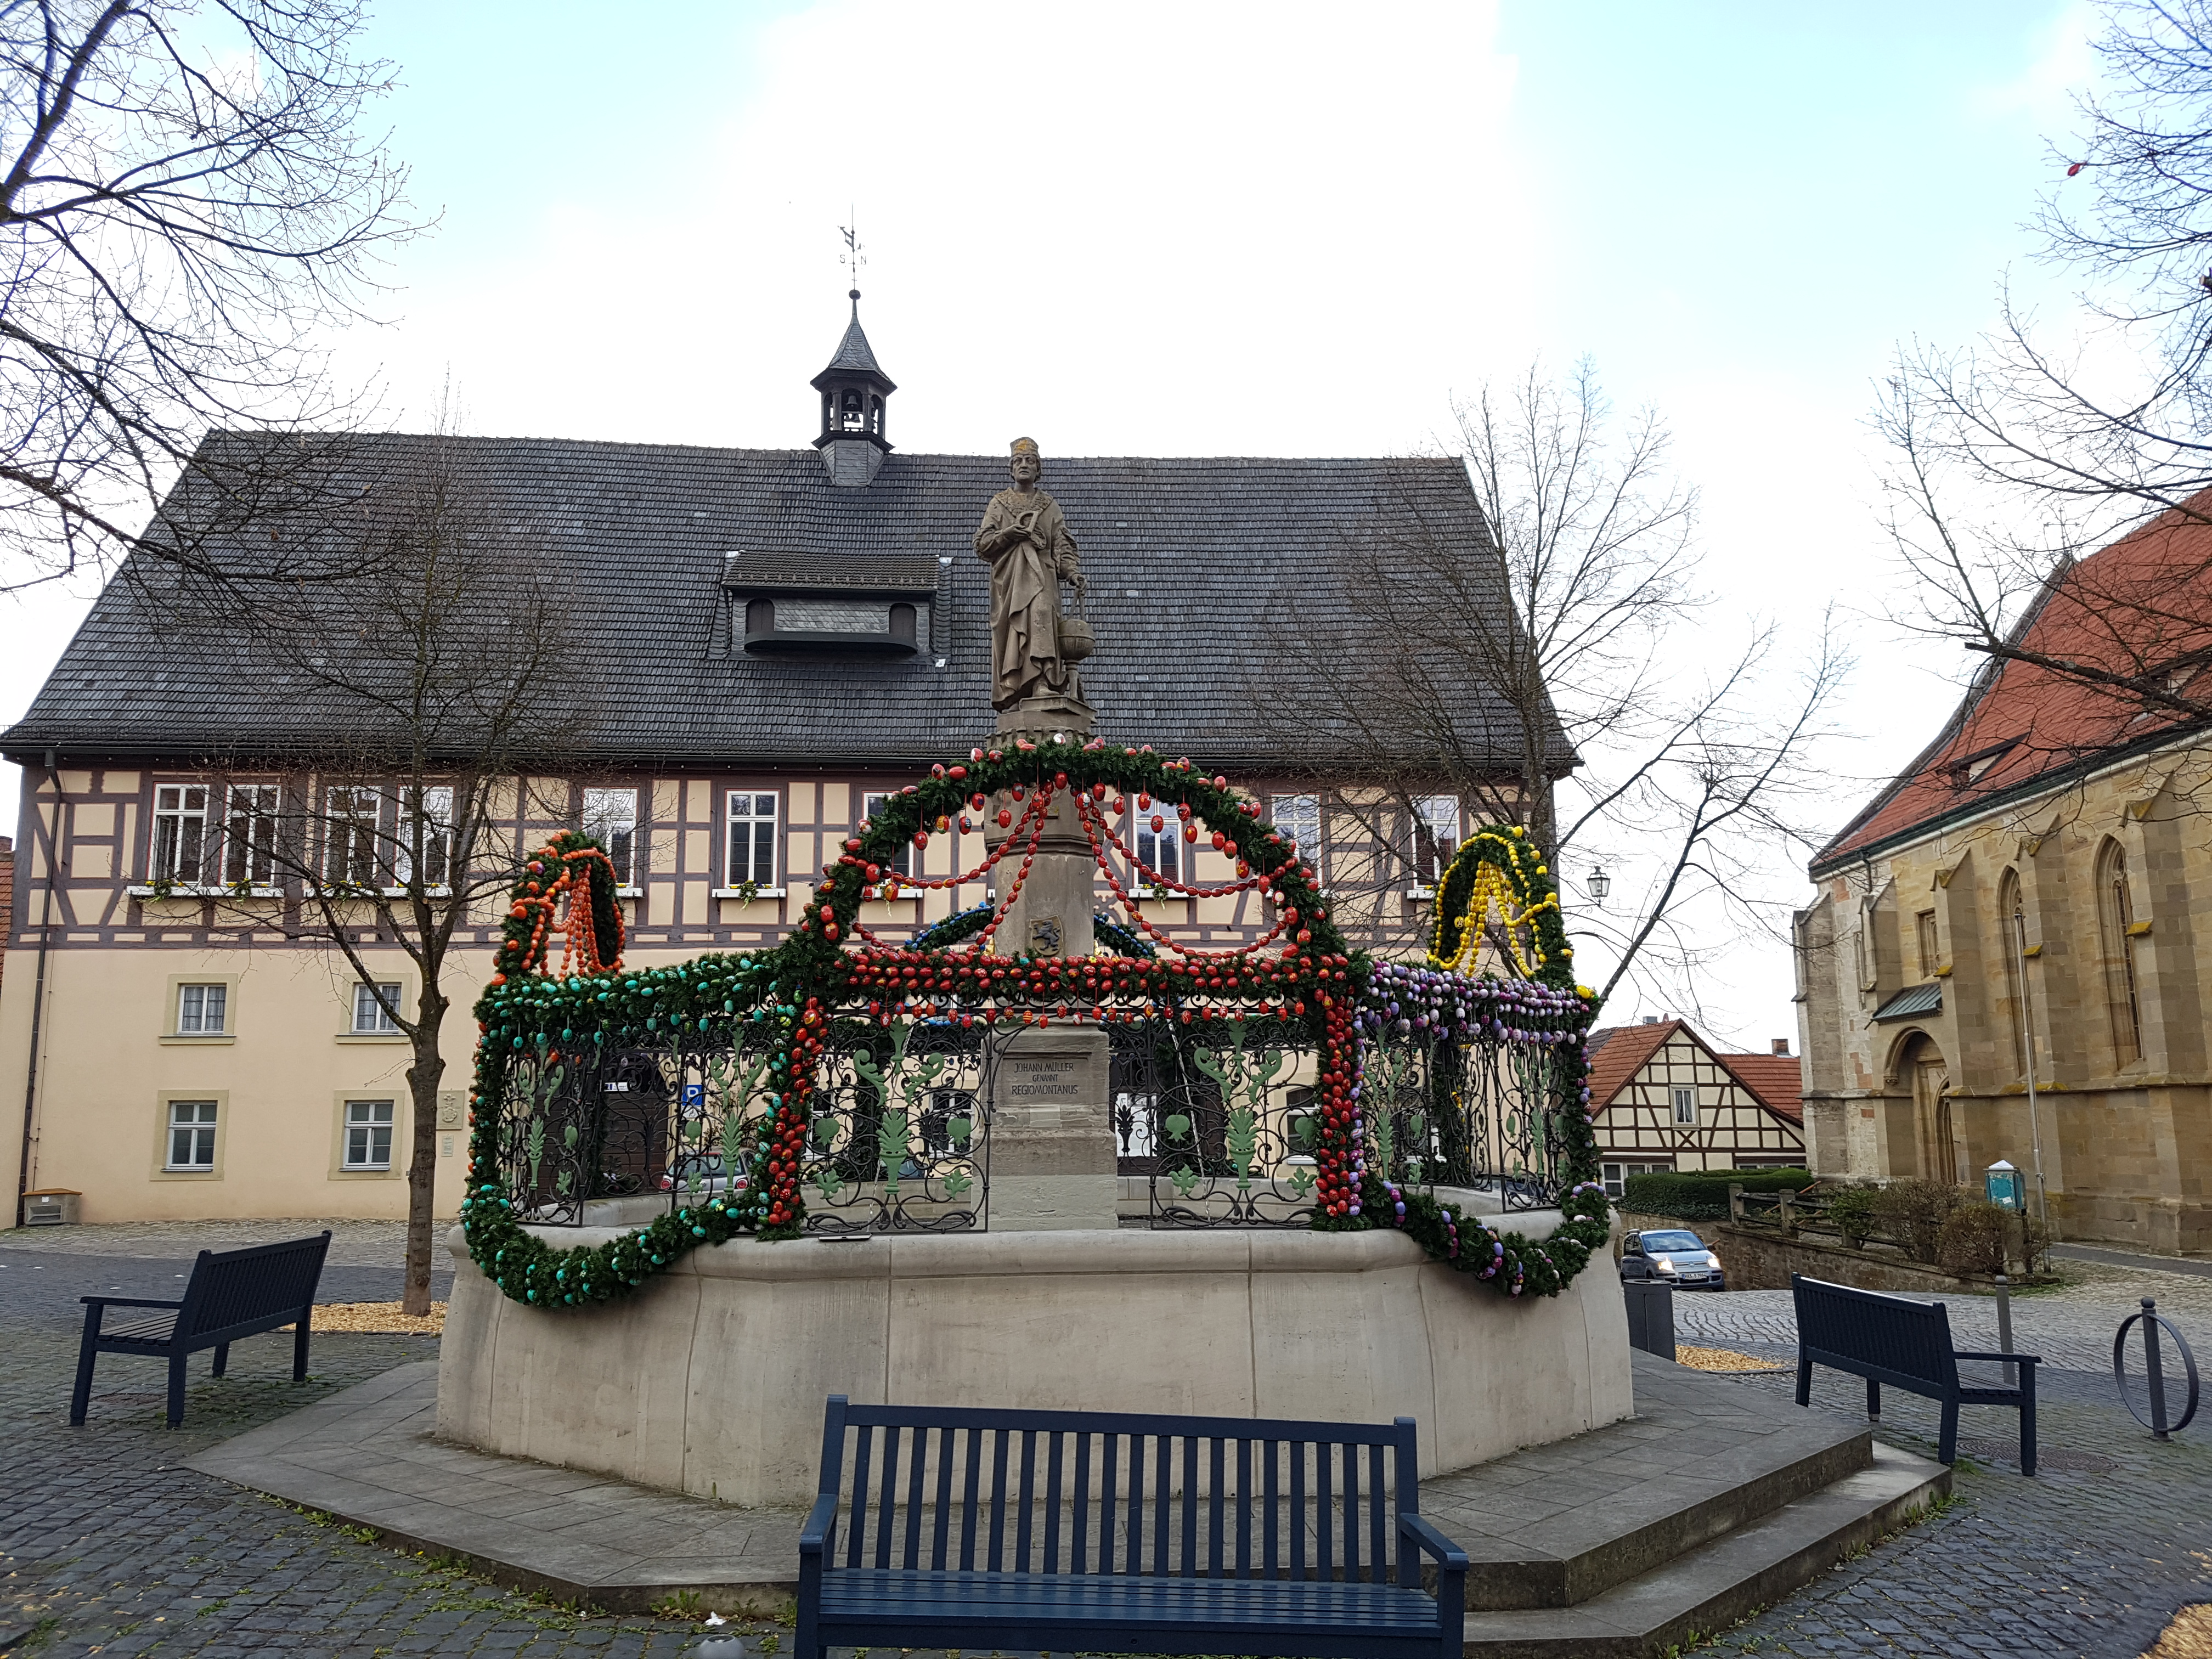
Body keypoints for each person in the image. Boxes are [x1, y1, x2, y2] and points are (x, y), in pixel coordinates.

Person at [975, 437, 1084, 710]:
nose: (1024, 465)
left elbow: (1062, 544)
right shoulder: (999, 504)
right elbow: (982, 545)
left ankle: (1043, 682)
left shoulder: (1049, 506)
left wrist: (1072, 573)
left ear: (1039, 469)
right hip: (1010, 582)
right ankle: (1016, 690)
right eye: (1018, 461)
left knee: (1042, 616)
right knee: (1015, 631)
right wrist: (1008, 534)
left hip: (1044, 578)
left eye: (1030, 461)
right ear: (1011, 469)